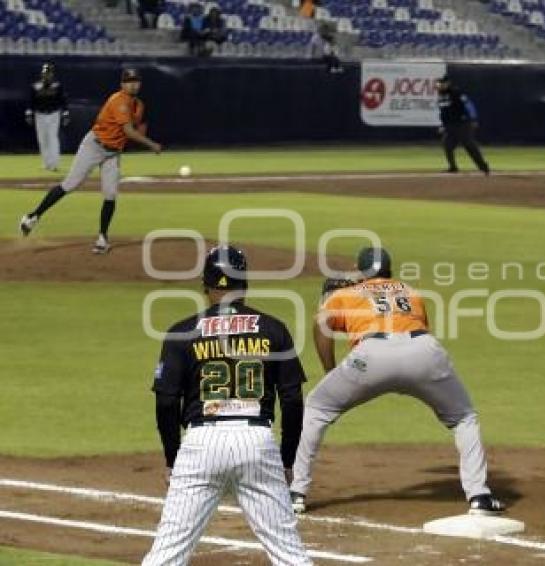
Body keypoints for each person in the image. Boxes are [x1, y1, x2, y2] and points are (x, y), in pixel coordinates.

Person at [290, 247, 505, 516]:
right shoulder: (410, 291)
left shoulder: (343, 294)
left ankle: (296, 493)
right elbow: (416, 325)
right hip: (424, 351)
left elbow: (322, 326)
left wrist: (330, 371)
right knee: (464, 418)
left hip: (372, 357)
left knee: (317, 407)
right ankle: (479, 497)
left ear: (361, 270)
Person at [143, 245, 312, 566]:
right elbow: (292, 400)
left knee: (166, 553)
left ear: (205, 286)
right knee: (290, 554)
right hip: (257, 442)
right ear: (244, 284)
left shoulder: (182, 332)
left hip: (201, 443)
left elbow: (166, 401)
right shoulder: (273, 329)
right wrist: (287, 460)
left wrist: (172, 458)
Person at [19, 68, 162, 254]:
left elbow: (134, 127)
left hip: (113, 153)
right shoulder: (118, 101)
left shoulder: (139, 105)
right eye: (129, 81)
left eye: (135, 80)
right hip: (94, 146)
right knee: (70, 184)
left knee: (110, 194)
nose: (132, 84)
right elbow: (128, 130)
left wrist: (141, 131)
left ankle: (102, 238)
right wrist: (151, 144)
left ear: (140, 83)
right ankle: (32, 216)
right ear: (122, 84)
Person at [436, 76, 489, 175]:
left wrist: (473, 118)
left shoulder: (456, 93)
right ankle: (453, 167)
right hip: (450, 126)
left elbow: (468, 104)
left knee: (469, 145)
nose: (439, 85)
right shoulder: (440, 95)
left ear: (447, 83)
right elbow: (443, 112)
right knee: (447, 145)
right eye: (439, 84)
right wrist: (443, 125)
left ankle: (483, 166)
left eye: (442, 83)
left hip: (462, 124)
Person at [25, 62, 69, 172]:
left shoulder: (57, 86)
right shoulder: (36, 87)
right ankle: (46, 162)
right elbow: (31, 102)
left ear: (52, 74)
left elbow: (63, 101)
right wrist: (29, 113)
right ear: (42, 74)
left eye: (48, 73)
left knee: (52, 138)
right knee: (42, 139)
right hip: (39, 115)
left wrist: (65, 113)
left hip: (53, 114)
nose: (46, 75)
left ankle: (54, 164)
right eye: (45, 73)